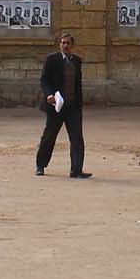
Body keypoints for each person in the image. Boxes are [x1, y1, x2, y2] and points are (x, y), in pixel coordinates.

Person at [35, 31, 89, 178]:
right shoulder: (52, 59)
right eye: (62, 43)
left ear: (72, 46)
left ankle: (76, 170)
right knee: (49, 137)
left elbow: (77, 84)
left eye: (68, 43)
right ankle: (40, 165)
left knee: (77, 138)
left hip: (73, 106)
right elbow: (44, 80)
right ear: (60, 45)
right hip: (56, 106)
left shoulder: (77, 61)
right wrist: (49, 94)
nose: (65, 46)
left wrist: (79, 104)